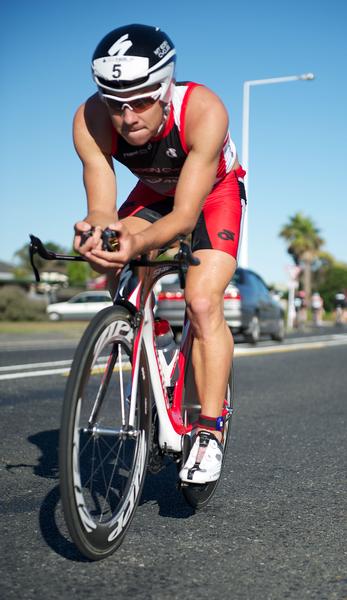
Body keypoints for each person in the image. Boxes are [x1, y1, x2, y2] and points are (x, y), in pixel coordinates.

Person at [73, 24, 246, 484]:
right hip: (152, 192)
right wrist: (99, 234)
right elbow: (103, 208)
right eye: (115, 103)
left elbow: (184, 217)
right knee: (117, 264)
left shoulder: (203, 110)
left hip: (211, 196)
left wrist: (133, 240)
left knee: (203, 301)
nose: (127, 117)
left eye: (142, 100)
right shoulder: (90, 118)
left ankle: (209, 432)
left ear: (166, 88)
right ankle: (152, 337)